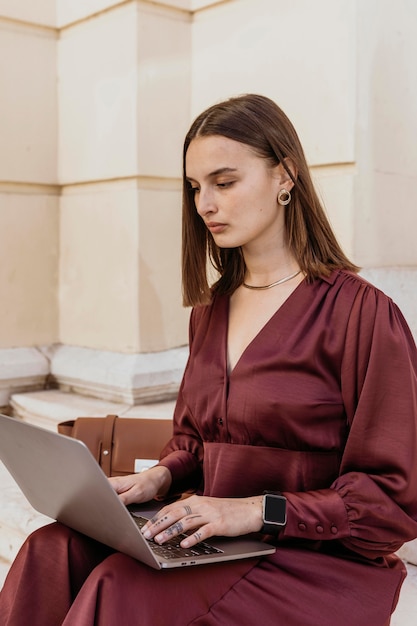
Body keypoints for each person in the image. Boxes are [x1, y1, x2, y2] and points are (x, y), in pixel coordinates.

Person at [1, 93, 417, 626]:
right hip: (214, 539)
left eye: (224, 182)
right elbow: (195, 441)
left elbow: (390, 501)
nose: (205, 205)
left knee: (119, 587)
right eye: (195, 187)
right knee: (50, 551)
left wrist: (251, 510)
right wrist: (158, 478)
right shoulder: (211, 309)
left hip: (311, 562)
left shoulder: (361, 315)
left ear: (285, 176)